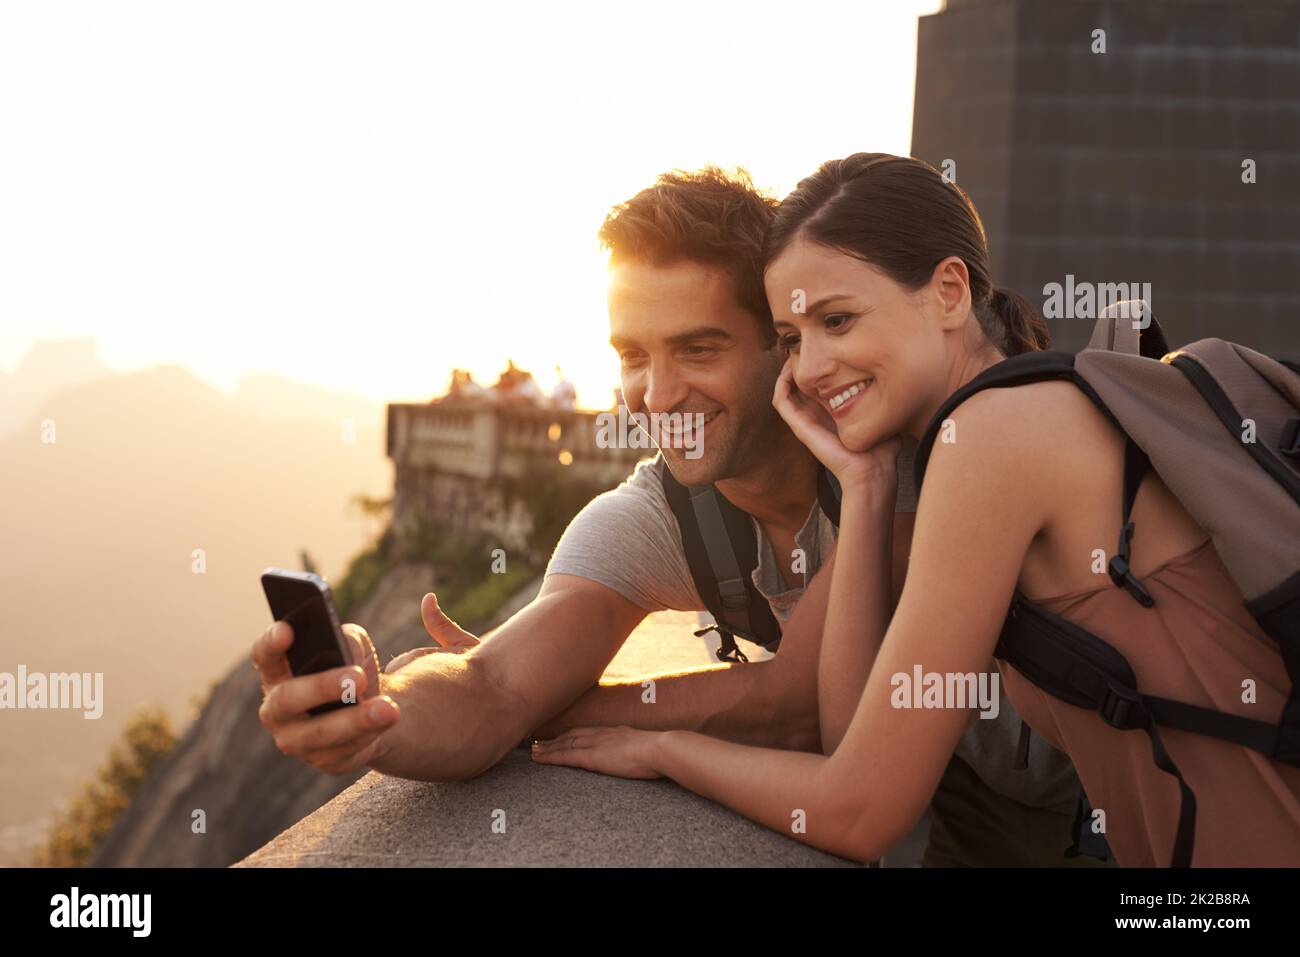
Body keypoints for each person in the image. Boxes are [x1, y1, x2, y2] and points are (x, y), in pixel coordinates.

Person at [253, 166, 1087, 866]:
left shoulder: (907, 447)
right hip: (989, 813)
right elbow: (492, 680)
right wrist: (378, 711)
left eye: (698, 348)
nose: (656, 394)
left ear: (783, 344)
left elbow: (797, 705)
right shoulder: (652, 517)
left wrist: (554, 711)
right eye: (631, 355)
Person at [531, 153, 1300, 867]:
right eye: (791, 338)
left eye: (838, 321)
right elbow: (849, 738)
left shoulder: (998, 435)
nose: (811, 368)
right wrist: (864, 489)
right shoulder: (989, 429)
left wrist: (661, 751)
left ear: (949, 292)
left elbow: (859, 810)